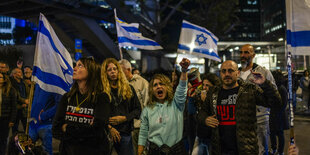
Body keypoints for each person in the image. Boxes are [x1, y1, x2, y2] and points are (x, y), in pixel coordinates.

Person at [198, 60, 282, 155]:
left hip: (245, 149)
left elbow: (276, 103)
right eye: (224, 71)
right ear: (220, 73)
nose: (227, 74)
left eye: (230, 71)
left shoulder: (249, 90)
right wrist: (205, 119)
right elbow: (202, 112)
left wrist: (265, 84)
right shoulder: (213, 92)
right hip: (219, 149)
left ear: (237, 73)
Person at [52, 57, 111, 154]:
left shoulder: (101, 97)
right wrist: (85, 129)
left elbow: (97, 131)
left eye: (80, 66)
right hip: (68, 151)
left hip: (93, 151)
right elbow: (55, 129)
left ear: (91, 72)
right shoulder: (67, 97)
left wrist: (67, 128)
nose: (74, 68)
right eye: (75, 65)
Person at [138, 58, 190, 155]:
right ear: (152, 90)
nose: (158, 86)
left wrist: (184, 71)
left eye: (162, 84)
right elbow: (143, 132)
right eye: (155, 85)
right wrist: (139, 152)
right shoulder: (147, 110)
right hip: (154, 151)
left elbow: (182, 87)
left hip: (176, 151)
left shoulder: (177, 103)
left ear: (168, 87)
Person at [239, 44, 277, 155]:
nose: (243, 55)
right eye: (241, 52)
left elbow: (273, 92)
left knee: (261, 150)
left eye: (246, 52)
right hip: (242, 120)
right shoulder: (236, 74)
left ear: (253, 55)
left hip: (260, 119)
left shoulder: (263, 72)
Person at [101, 58, 141, 155]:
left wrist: (124, 118)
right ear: (105, 73)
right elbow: (97, 113)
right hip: (106, 134)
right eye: (109, 70)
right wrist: (110, 128)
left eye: (115, 69)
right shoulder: (101, 90)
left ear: (119, 71)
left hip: (125, 134)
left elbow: (138, 110)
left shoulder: (128, 88)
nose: (113, 72)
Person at [119, 59, 149, 155]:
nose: (119, 74)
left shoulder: (142, 83)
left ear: (128, 69)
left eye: (121, 71)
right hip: (125, 128)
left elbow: (147, 104)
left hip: (139, 127)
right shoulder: (119, 85)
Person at [192, 73, 221, 155]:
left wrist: (206, 102)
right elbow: (194, 114)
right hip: (200, 135)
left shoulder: (217, 98)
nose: (204, 88)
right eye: (203, 85)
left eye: (207, 85)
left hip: (211, 138)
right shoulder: (199, 97)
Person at [269, 71, 289, 155]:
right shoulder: (274, 87)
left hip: (279, 115)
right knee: (272, 133)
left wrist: (277, 112)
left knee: (280, 134)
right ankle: (274, 149)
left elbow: (284, 104)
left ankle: (280, 151)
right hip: (273, 114)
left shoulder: (281, 88)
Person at [0, 72, 17, 154]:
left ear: (4, 80)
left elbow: (14, 107)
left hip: (5, 119)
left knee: (3, 139)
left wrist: (12, 120)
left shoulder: (10, 90)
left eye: (0, 77)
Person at [10, 67, 30, 133]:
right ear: (14, 74)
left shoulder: (24, 82)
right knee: (15, 127)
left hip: (25, 107)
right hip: (16, 107)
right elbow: (16, 95)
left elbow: (27, 92)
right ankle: (14, 141)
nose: (21, 73)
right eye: (19, 72)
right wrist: (23, 101)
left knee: (26, 126)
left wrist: (27, 101)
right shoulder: (11, 83)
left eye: (21, 72)